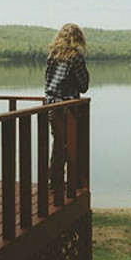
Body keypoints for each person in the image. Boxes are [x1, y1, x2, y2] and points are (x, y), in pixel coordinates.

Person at [44, 23, 89, 184]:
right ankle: (69, 182)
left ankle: (54, 179)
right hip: (67, 108)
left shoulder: (52, 56)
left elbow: (48, 83)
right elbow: (84, 86)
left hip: (50, 105)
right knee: (70, 146)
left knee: (58, 144)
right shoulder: (75, 58)